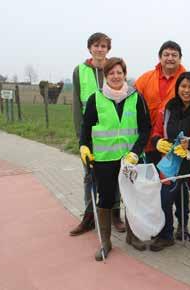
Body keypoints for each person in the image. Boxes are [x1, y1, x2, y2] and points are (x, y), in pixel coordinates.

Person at [79, 57, 151, 261]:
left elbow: (145, 128)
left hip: (131, 158)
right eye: (111, 73)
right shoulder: (96, 98)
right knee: (107, 198)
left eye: (119, 72)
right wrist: (83, 146)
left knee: (131, 197)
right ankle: (105, 241)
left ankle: (133, 235)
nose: (116, 76)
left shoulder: (136, 97)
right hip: (104, 159)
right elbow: (86, 126)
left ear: (124, 74)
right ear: (106, 76)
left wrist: (136, 151)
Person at [150, 72, 190, 265]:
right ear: (177, 88)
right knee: (164, 200)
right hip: (171, 164)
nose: (186, 91)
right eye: (183, 86)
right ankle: (166, 235)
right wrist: (157, 141)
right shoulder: (167, 109)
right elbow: (155, 131)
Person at [70, 33, 126, 236]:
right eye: (96, 45)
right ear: (90, 48)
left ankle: (115, 215)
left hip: (113, 137)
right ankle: (89, 217)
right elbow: (77, 104)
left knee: (116, 175)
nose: (100, 49)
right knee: (89, 177)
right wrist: (81, 138)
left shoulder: (113, 69)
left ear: (108, 49)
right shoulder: (80, 71)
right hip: (90, 136)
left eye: (104, 46)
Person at [135, 40, 189, 240]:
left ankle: (182, 225)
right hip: (150, 142)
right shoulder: (145, 79)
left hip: (176, 146)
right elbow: (134, 104)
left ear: (180, 58)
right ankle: (159, 226)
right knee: (155, 187)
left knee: (178, 187)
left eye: (174, 54)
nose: (170, 58)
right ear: (160, 57)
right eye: (166, 54)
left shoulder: (185, 79)